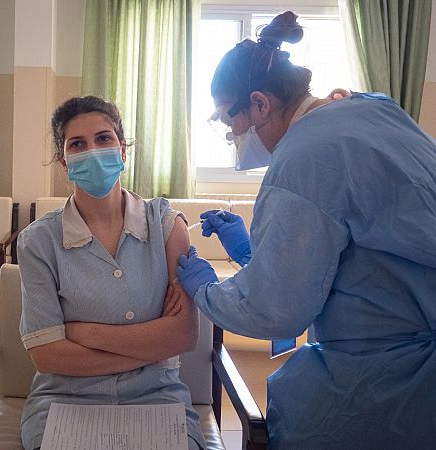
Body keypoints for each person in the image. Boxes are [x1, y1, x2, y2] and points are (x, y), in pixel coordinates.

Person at [176, 11, 436, 450]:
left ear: (259, 103)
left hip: (390, 382)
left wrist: (206, 289)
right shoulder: (374, 109)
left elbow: (277, 310)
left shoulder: (302, 161)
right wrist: (253, 255)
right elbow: (362, 247)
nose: (231, 135)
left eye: (228, 122)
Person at [17, 96, 206, 450]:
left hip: (157, 398)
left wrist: (81, 333)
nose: (92, 151)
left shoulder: (166, 225)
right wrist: (149, 347)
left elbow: (183, 335)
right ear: (65, 162)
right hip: (64, 401)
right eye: (77, 144)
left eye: (103, 139)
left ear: (122, 151)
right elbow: (48, 356)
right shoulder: (38, 242)